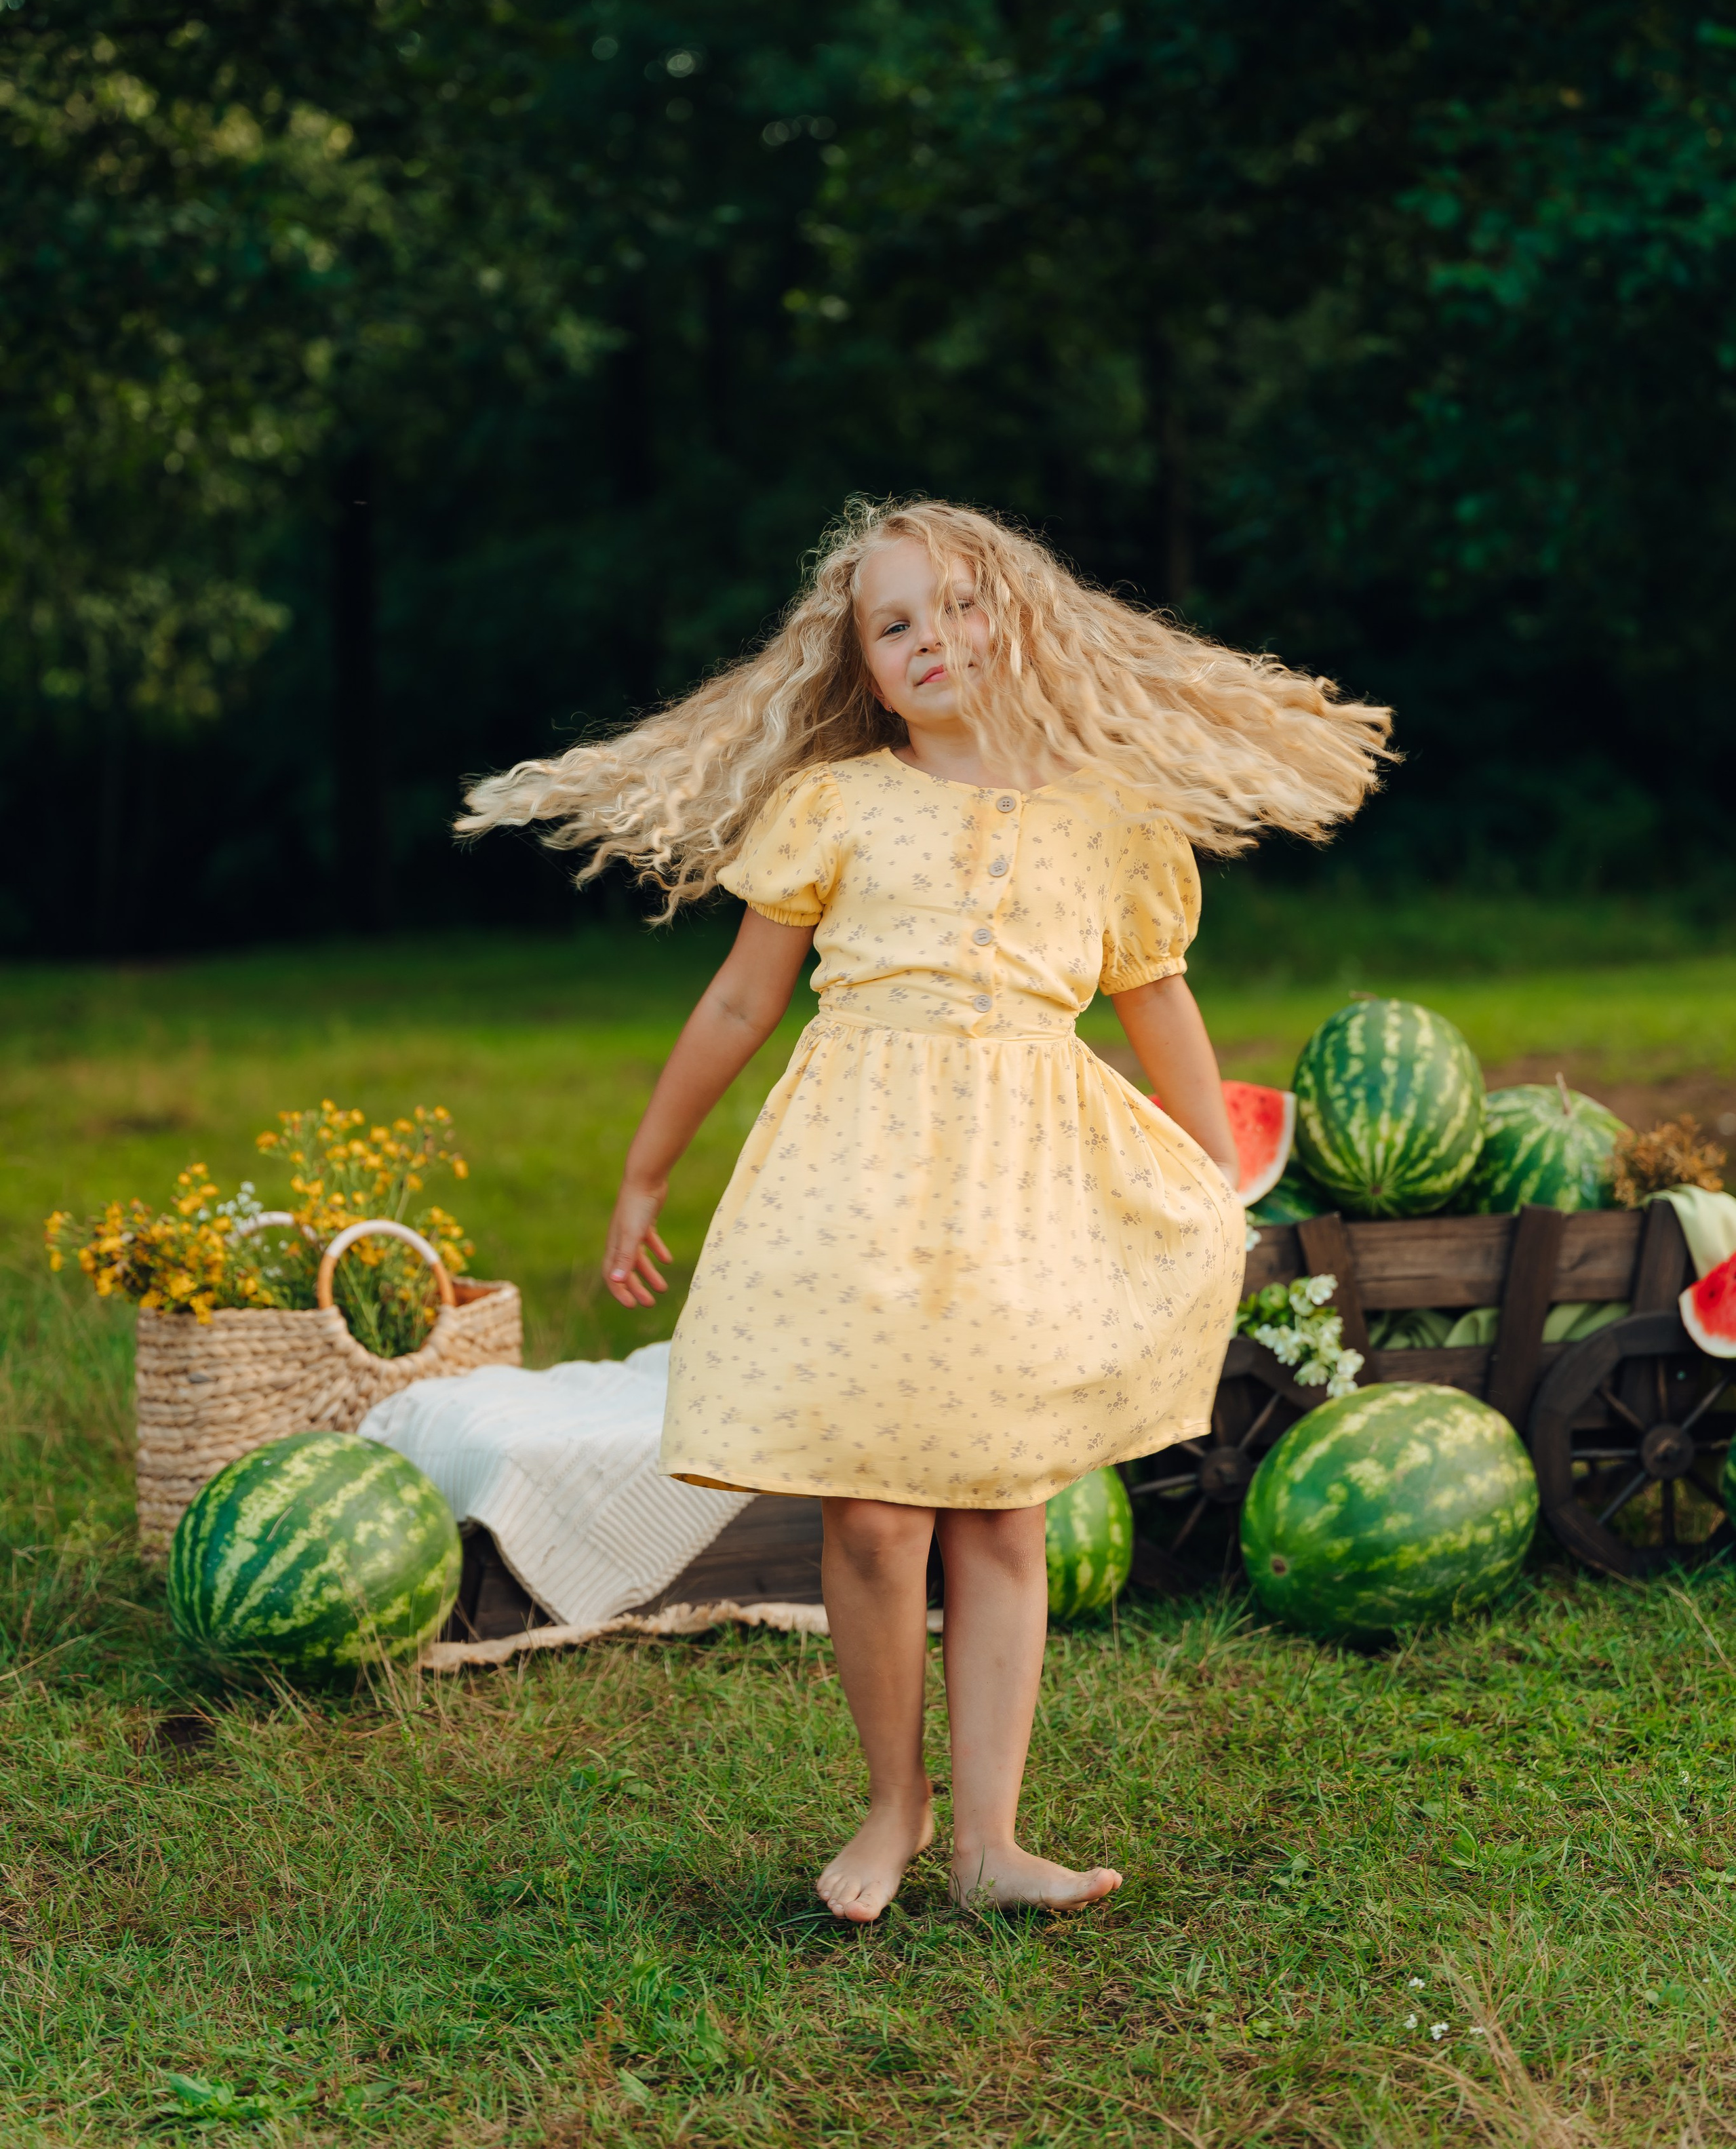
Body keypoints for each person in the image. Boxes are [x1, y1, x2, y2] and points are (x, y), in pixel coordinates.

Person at [459, 498, 1389, 1921]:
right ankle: (895, 1807)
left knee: (1004, 1514)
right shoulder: (834, 801)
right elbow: (736, 999)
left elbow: (1158, 1000)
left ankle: (990, 1843)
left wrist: (1211, 1176)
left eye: (956, 605)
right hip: (855, 1186)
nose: (931, 639)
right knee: (878, 1518)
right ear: (864, 665)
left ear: (1015, 615)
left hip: (1025, 1187)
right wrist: (646, 1168)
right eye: (894, 625)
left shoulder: (1112, 819)